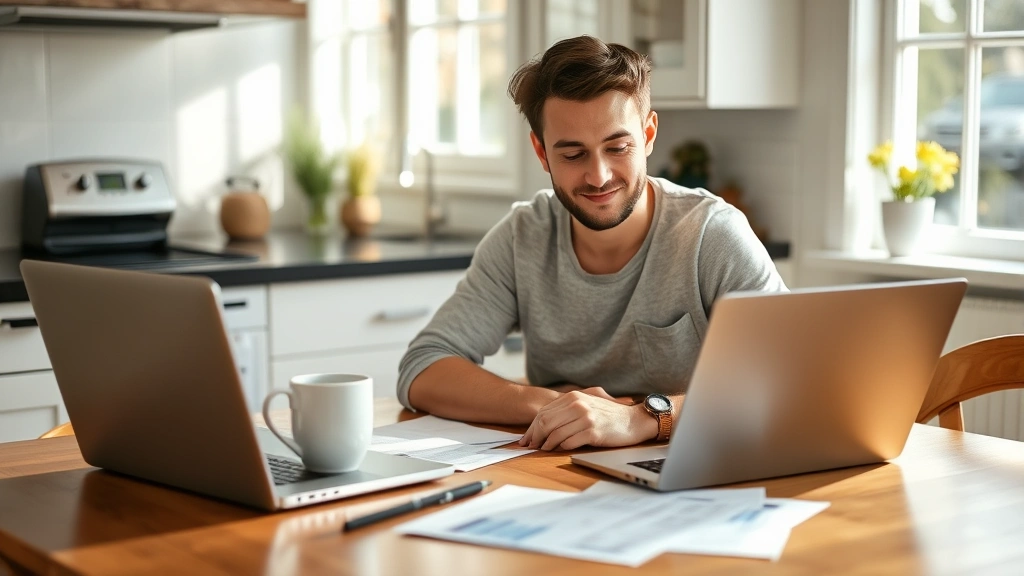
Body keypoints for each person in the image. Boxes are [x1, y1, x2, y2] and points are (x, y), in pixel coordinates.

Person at [397, 35, 786, 452]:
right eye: (572, 154)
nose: (599, 176)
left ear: (649, 134)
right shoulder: (521, 238)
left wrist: (645, 418)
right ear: (542, 153)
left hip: (698, 466)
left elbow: (791, 378)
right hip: (564, 474)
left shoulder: (713, 235)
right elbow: (423, 366)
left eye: (617, 147)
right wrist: (557, 406)